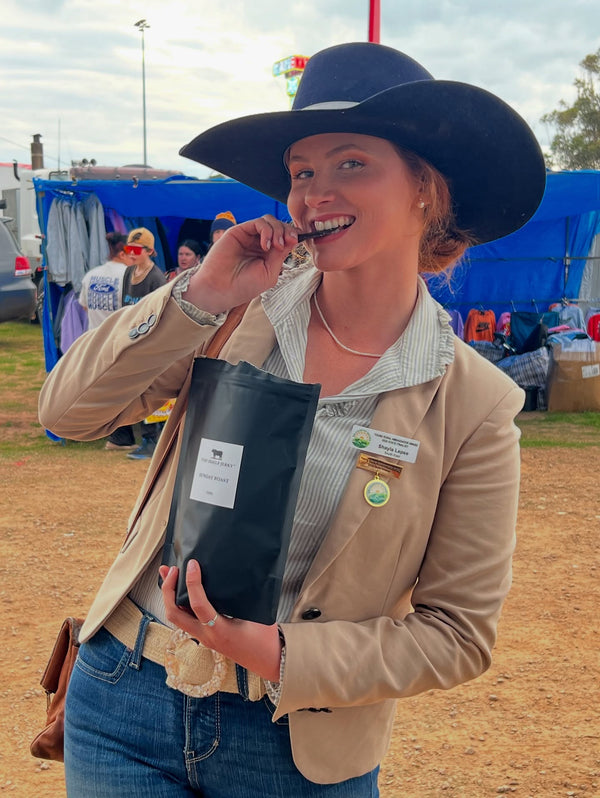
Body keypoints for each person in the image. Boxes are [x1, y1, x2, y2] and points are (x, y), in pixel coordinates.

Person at [38, 42, 545, 796]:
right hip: (125, 697)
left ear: (424, 193)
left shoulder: (472, 403)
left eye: (351, 164)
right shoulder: (233, 312)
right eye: (302, 172)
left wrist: (280, 652)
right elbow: (69, 413)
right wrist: (200, 292)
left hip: (297, 750)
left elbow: (458, 634)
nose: (314, 193)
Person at [107, 227, 167, 457]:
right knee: (127, 388)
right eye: (128, 249)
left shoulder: (156, 278)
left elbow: (159, 313)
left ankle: (151, 438)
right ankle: (125, 435)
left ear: (149, 251)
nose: (131, 254)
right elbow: (124, 307)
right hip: (130, 339)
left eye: (136, 250)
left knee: (147, 389)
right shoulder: (128, 272)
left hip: (148, 342)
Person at [78, 232, 129, 329]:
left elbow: (85, 306)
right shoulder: (129, 277)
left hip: (95, 339)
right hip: (119, 339)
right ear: (122, 254)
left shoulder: (90, 275)